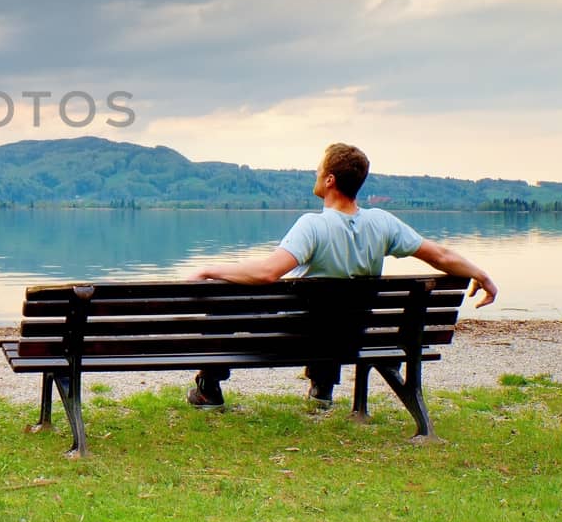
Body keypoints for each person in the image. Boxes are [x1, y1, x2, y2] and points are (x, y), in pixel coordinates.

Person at [185, 143, 498, 410]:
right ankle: (322, 389)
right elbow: (441, 256)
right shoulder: (383, 224)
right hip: (352, 335)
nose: (316, 174)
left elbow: (268, 272)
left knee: (227, 300)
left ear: (330, 179)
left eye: (319, 170)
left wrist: (210, 269)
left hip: (298, 337)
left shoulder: (312, 226)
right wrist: (480, 274)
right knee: (335, 309)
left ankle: (208, 389)